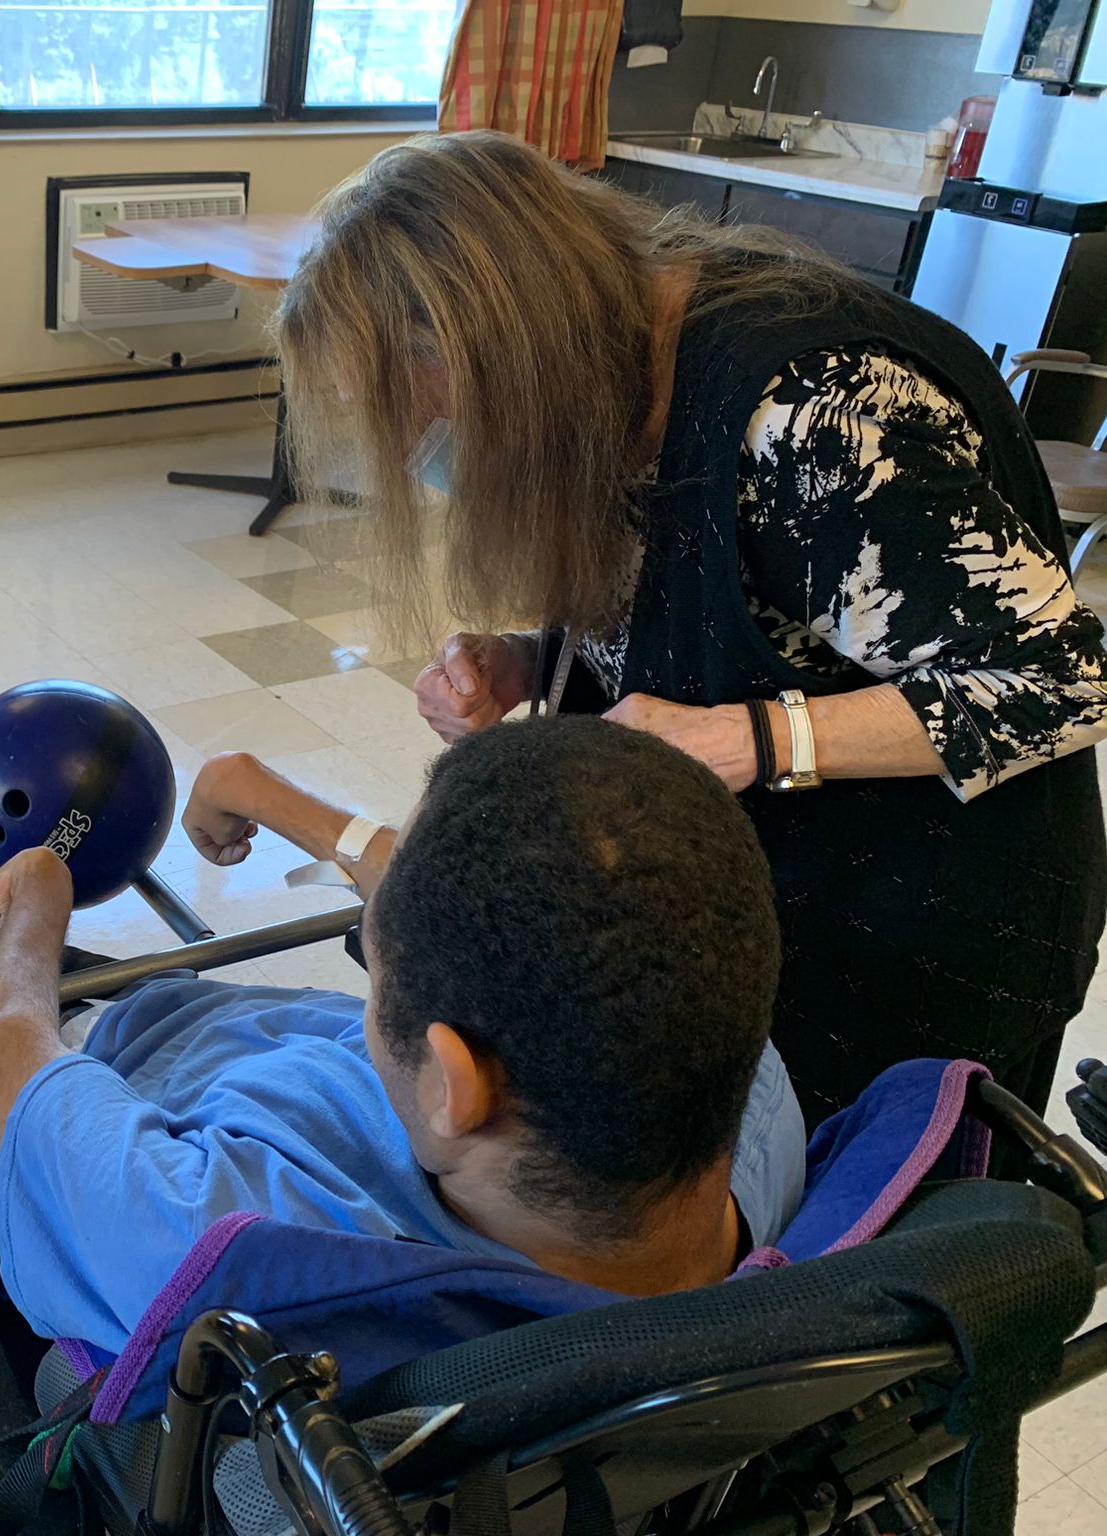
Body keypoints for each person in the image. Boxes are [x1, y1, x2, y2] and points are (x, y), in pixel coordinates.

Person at [272, 130, 1107, 1123]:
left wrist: (752, 740)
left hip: (924, 941)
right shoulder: (606, 374)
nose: (429, 450)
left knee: (884, 1209)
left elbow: (1059, 679)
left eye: (429, 417)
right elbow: (723, 601)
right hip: (763, 919)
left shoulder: (809, 414)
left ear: (503, 354)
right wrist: (529, 659)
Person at [0, 717, 806, 1354]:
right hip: (204, 1062)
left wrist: (38, 900)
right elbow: (506, 903)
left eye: (375, 970)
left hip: (87, 1084)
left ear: (453, 1088)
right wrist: (271, 799)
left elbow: (6, 1060)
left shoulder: (222, 1244)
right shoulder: (750, 1096)